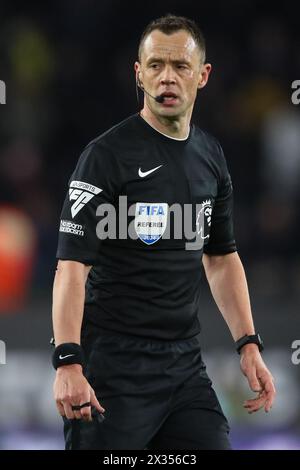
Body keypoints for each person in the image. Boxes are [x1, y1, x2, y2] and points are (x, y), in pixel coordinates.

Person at [51, 14, 276, 450]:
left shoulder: (211, 156)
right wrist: (68, 362)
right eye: (155, 65)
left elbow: (221, 256)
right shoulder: (105, 157)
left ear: (203, 75)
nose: (167, 78)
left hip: (183, 367)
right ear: (139, 73)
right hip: (113, 367)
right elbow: (70, 267)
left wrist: (248, 344)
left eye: (180, 66)